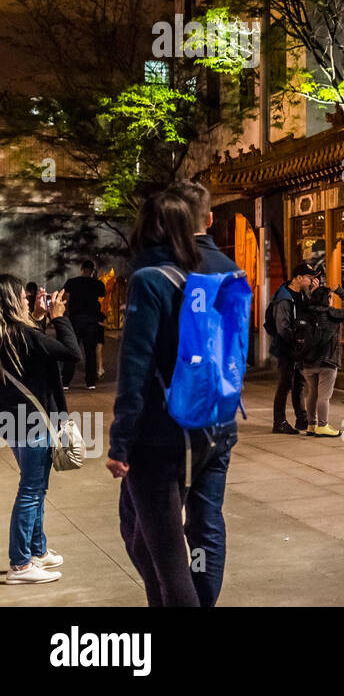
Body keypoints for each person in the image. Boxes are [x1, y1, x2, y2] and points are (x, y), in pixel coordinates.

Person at [107, 188, 240, 607]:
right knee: (203, 529)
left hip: (163, 435)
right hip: (217, 425)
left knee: (165, 554)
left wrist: (120, 442)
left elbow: (135, 370)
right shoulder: (222, 274)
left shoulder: (150, 281)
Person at [0, 275, 79, 584]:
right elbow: (71, 353)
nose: (26, 299)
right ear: (11, 300)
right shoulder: (24, 335)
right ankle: (20, 564)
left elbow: (35, 354)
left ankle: (37, 550)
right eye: (22, 296)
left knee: (35, 487)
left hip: (15, 423)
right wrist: (60, 319)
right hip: (34, 424)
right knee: (32, 491)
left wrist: (38, 317)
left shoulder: (10, 335)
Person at [299, 282, 344, 439]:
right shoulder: (331, 314)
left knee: (311, 393)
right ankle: (323, 425)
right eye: (330, 298)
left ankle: (311, 425)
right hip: (327, 361)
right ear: (327, 299)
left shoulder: (306, 313)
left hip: (307, 361)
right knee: (323, 396)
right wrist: (340, 291)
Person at [269, 263, 315, 434]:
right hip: (285, 348)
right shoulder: (284, 297)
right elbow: (282, 328)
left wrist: (311, 294)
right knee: (285, 384)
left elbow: (308, 314)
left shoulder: (301, 295)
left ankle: (302, 419)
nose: (312, 280)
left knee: (299, 384)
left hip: (297, 347)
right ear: (299, 277)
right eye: (309, 278)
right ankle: (279, 421)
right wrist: (296, 342)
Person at [59, 260, 105, 389]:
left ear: (81, 269)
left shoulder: (72, 282)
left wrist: (64, 316)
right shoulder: (98, 284)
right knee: (90, 351)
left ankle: (66, 382)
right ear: (92, 270)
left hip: (75, 320)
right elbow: (102, 297)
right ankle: (91, 382)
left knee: (72, 349)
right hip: (92, 320)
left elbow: (65, 300)